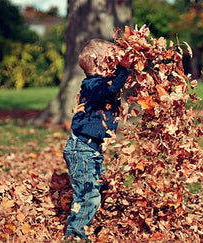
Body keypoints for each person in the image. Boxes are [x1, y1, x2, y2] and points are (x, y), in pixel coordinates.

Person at [62, 39, 132, 240]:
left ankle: (89, 220)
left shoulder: (102, 84)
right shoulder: (92, 85)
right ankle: (74, 233)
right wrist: (124, 70)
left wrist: (126, 68)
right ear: (100, 64)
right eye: (111, 62)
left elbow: (114, 84)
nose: (115, 67)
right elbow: (111, 87)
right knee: (88, 195)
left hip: (91, 150)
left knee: (99, 186)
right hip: (81, 150)